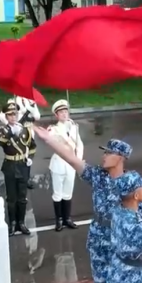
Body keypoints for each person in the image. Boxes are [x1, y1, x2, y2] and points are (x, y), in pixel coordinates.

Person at [33, 128, 142, 283]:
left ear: (121, 158)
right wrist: (49, 140)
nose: (104, 156)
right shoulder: (98, 176)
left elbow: (139, 226)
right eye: (105, 152)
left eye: (109, 153)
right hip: (101, 242)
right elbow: (72, 159)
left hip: (125, 250)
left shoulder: (133, 185)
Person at [0, 102, 35, 236]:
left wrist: (31, 158)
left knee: (22, 197)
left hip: (22, 165)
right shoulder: (3, 130)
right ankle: (12, 223)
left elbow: (33, 146)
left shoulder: (25, 130)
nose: (13, 117)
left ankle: (21, 223)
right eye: (10, 115)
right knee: (11, 197)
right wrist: (11, 134)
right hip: (10, 166)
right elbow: (1, 142)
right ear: (6, 116)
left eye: (15, 114)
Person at [47, 99, 83, 232]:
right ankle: (59, 220)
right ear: (56, 115)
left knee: (68, 193)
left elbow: (79, 144)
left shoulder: (74, 127)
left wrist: (77, 160)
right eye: (61, 112)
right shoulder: (53, 129)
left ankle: (67, 218)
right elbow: (54, 143)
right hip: (59, 164)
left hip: (71, 165)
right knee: (58, 194)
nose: (64, 114)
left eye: (65, 111)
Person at [0, 96, 41, 188]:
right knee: (18, 153)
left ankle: (26, 178)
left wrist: (31, 110)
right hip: (16, 131)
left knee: (28, 155)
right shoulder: (12, 100)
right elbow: (1, 116)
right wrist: (11, 125)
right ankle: (17, 177)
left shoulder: (31, 100)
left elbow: (37, 116)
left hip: (28, 130)